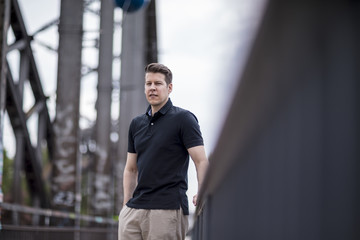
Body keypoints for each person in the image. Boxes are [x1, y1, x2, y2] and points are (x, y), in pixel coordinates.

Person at [118, 63, 209, 240]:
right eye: (148, 83)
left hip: (167, 210)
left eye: (158, 83)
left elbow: (201, 161)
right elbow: (131, 169)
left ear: (169, 87)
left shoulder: (184, 119)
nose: (152, 88)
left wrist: (202, 191)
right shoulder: (136, 124)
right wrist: (125, 206)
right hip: (134, 211)